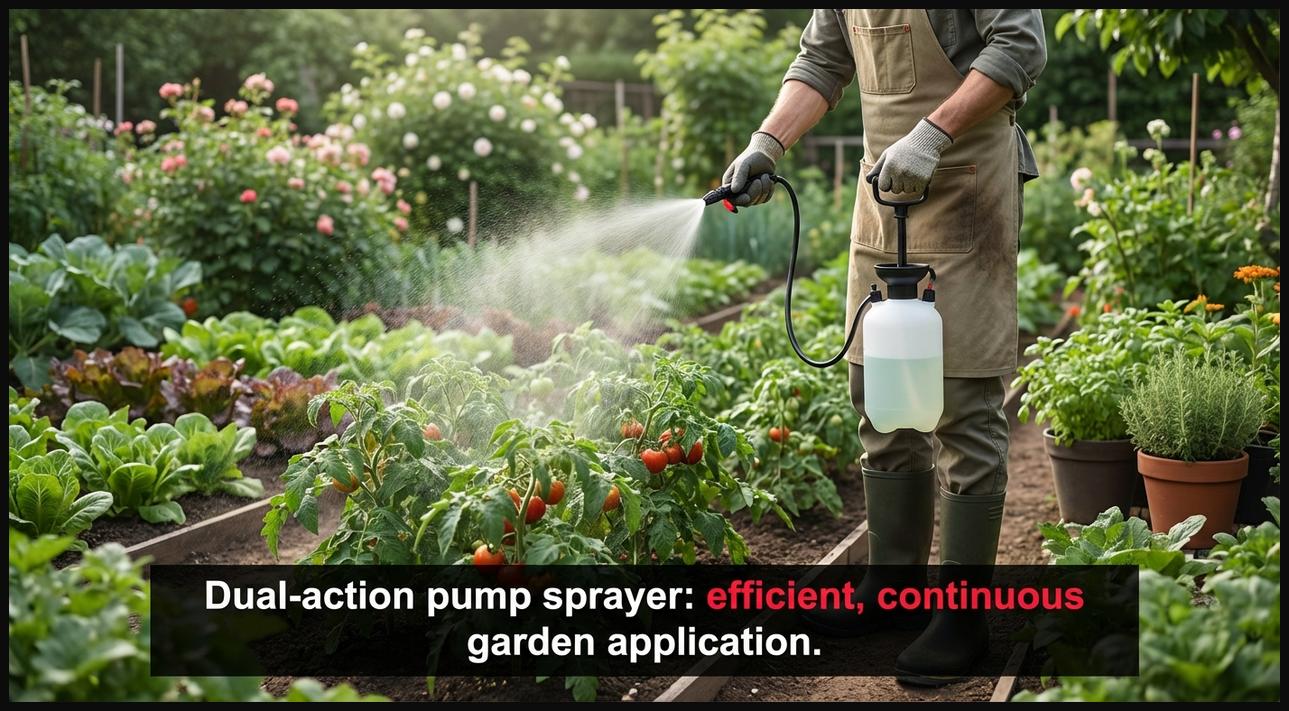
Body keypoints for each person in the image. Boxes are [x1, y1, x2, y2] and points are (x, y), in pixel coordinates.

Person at [721, 10, 1046, 686]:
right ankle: (893, 588)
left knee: (962, 402)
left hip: (965, 187)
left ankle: (963, 618)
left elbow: (1019, 44)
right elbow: (821, 62)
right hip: (884, 190)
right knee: (880, 394)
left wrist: (931, 133)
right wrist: (766, 143)